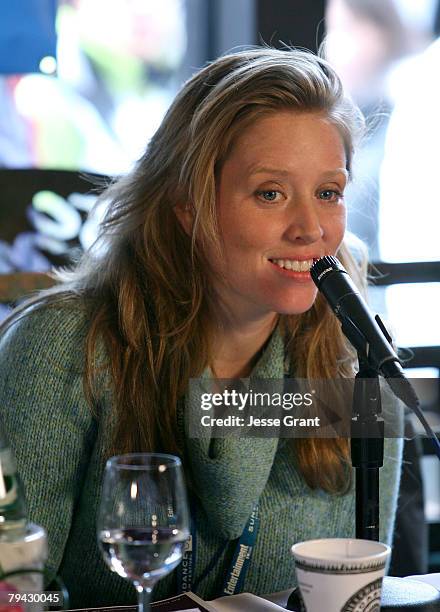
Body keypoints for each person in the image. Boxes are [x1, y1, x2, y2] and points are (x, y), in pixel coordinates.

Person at [0, 48, 403, 607]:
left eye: (328, 193)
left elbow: (357, 592)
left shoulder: (353, 362)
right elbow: (16, 595)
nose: (310, 230)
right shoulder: (62, 348)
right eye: (270, 193)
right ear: (188, 205)